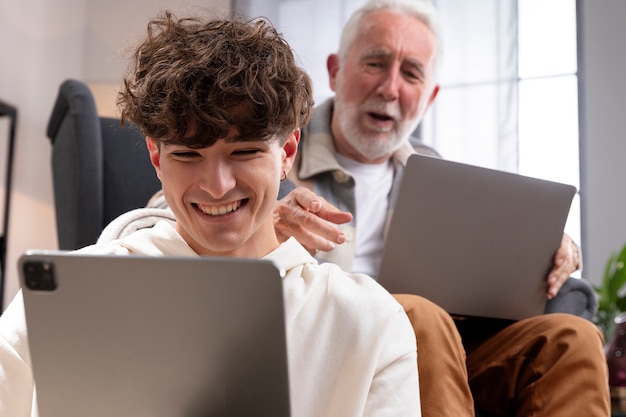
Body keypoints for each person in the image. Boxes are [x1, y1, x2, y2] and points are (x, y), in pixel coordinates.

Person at [0, 12, 422, 417]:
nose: (216, 186)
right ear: (156, 157)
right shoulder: (55, 304)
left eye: (244, 152)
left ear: (287, 152)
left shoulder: (369, 323)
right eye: (187, 154)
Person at [270, 0, 610, 416]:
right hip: (332, 355)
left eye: (410, 73)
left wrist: (548, 249)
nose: (390, 88)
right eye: (375, 63)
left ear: (429, 96)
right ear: (336, 71)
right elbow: (178, 217)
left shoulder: (440, 175)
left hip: (440, 357)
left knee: (571, 338)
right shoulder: (273, 152)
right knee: (417, 315)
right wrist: (265, 231)